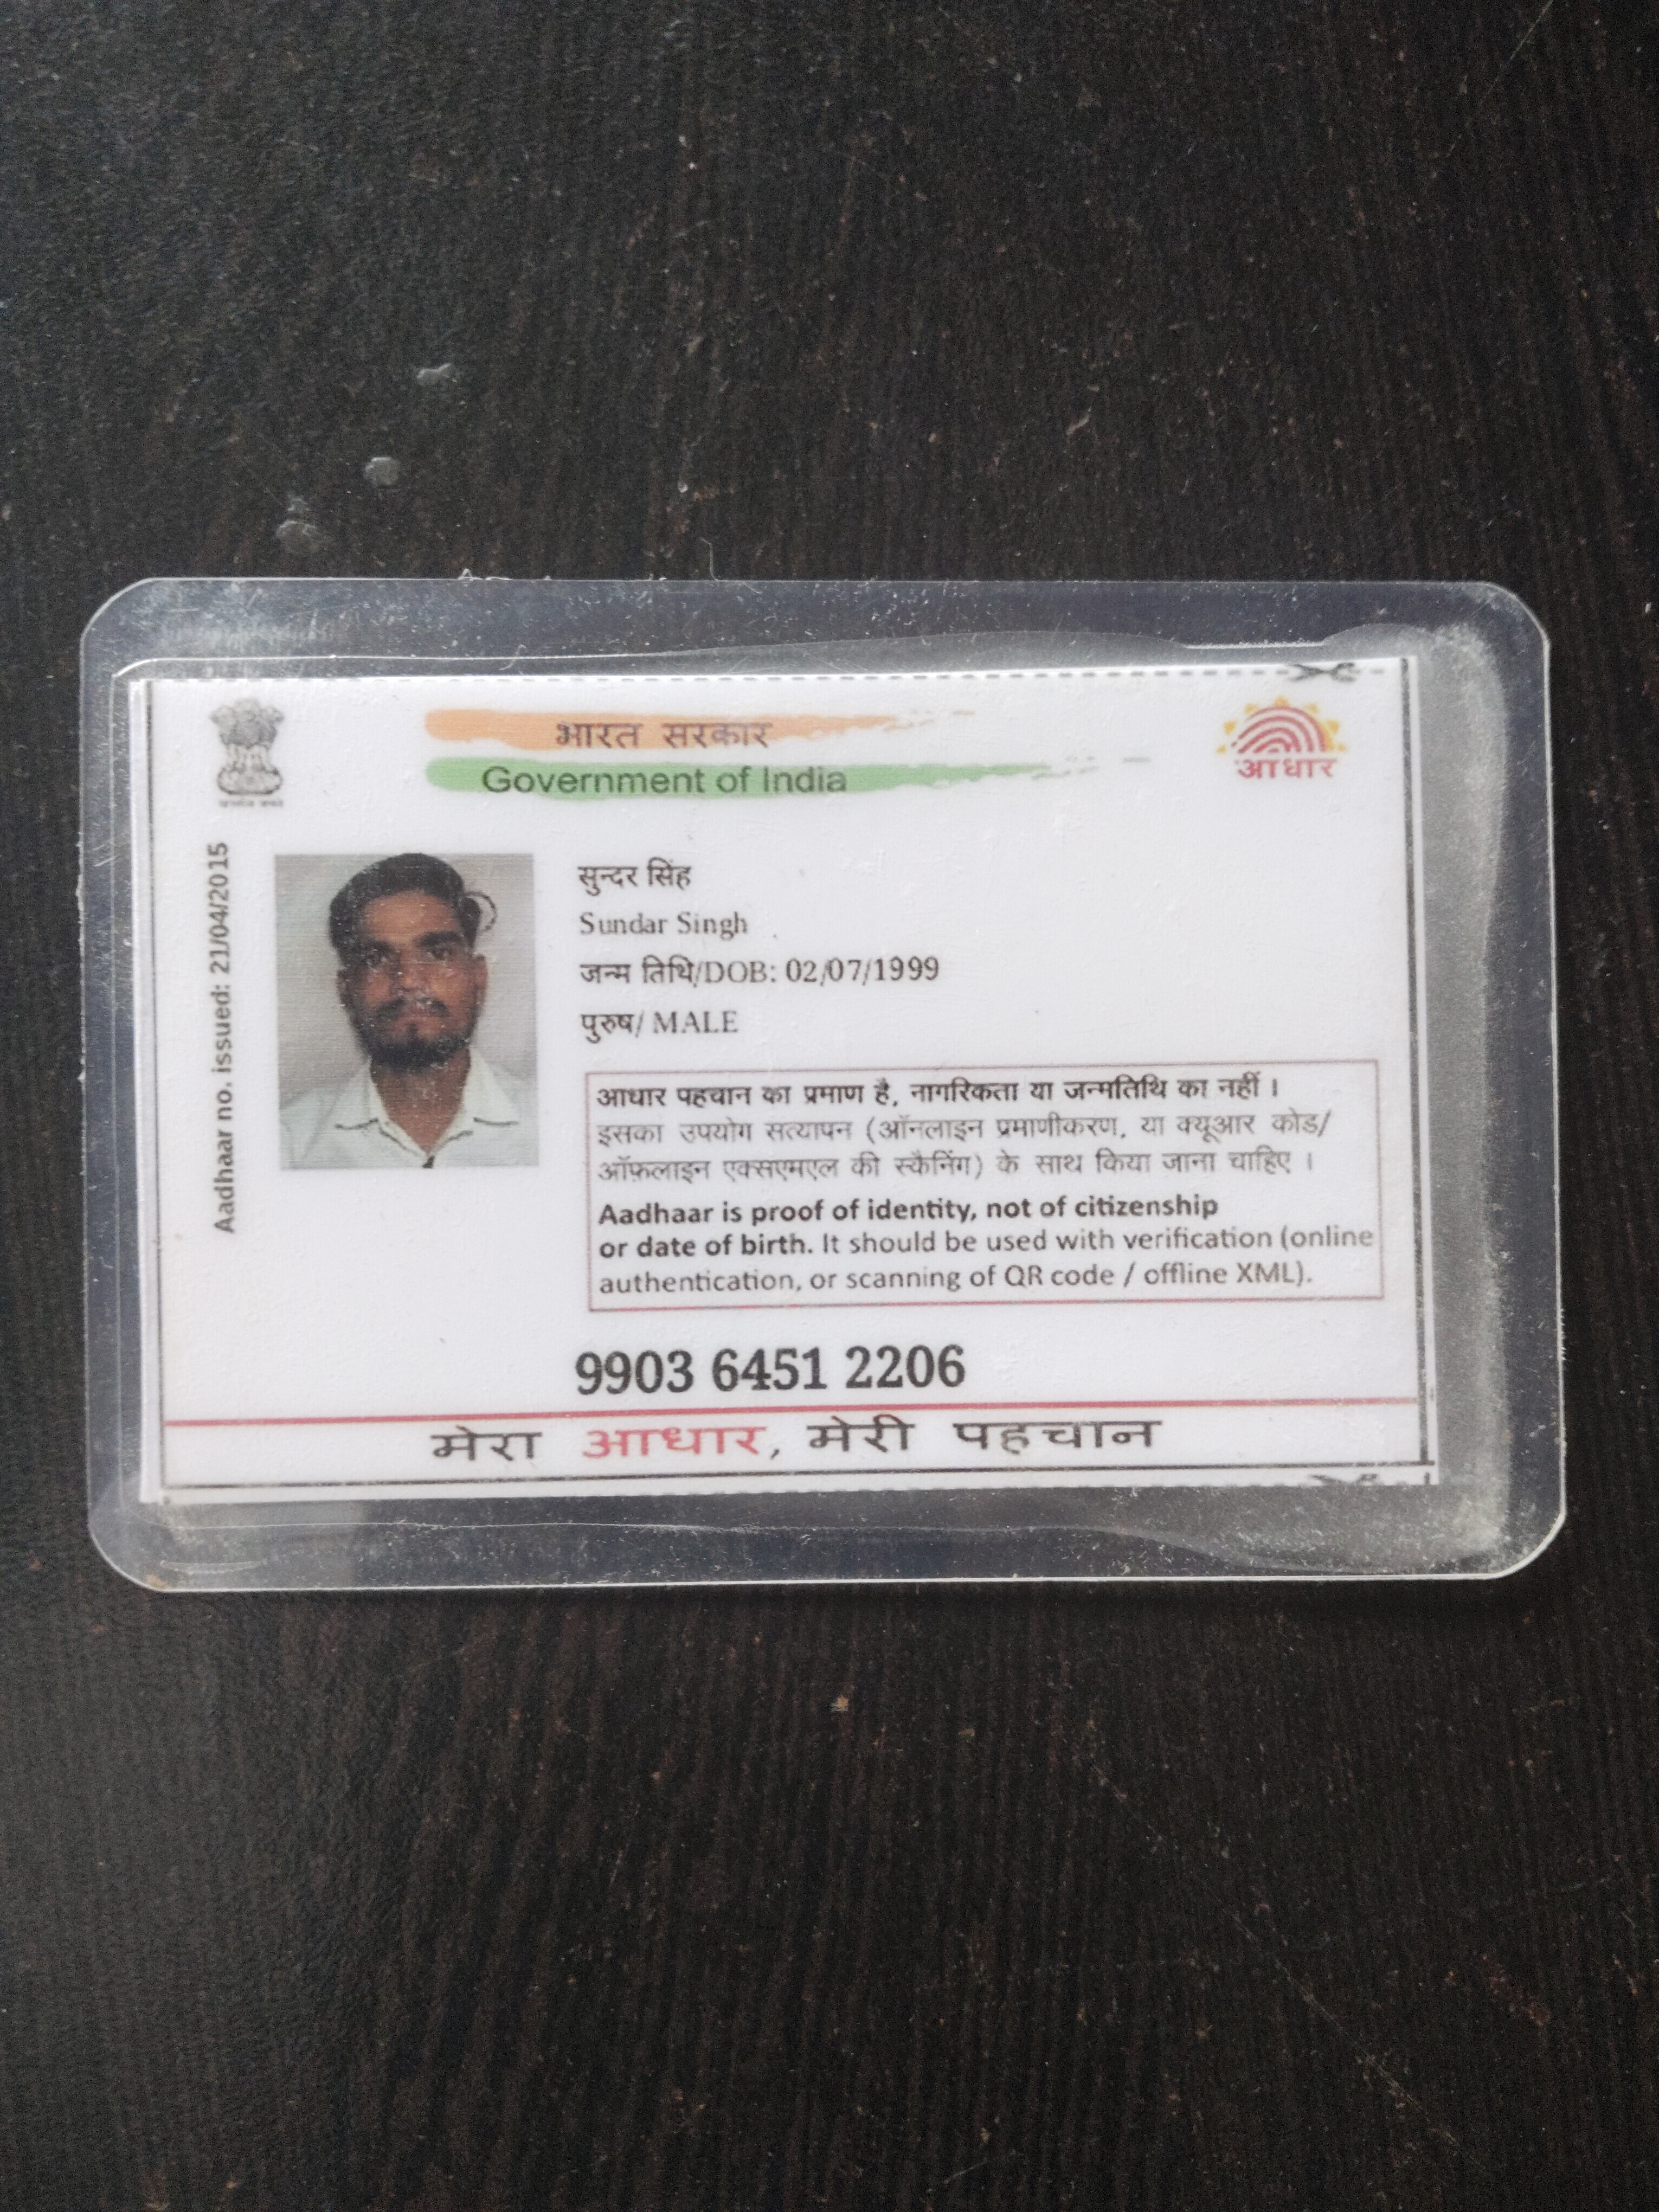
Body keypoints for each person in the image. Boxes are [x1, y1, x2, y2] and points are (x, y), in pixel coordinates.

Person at [281, 853, 537, 1168]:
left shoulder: (551, 1126)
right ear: (347, 989)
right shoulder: (290, 1143)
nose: (409, 979)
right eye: (376, 959)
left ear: (478, 978)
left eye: (438, 953)